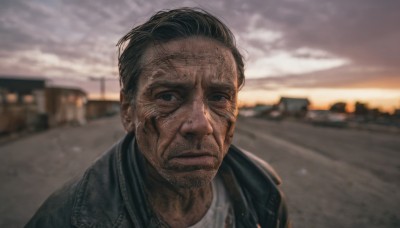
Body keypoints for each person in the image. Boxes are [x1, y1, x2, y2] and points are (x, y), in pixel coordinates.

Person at [26, 7, 290, 228]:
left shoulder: (262, 189)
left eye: (219, 97)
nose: (201, 124)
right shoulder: (70, 217)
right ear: (128, 110)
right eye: (168, 97)